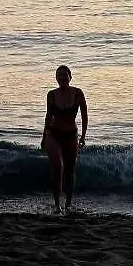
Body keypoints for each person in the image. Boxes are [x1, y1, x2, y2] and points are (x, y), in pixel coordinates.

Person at [41, 65, 88, 213]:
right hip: (53, 134)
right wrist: (43, 137)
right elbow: (48, 116)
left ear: (70, 77)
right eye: (58, 75)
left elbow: (84, 116)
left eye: (64, 75)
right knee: (58, 166)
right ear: (56, 78)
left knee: (70, 169)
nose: (61, 78)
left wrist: (83, 137)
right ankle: (57, 205)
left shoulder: (78, 93)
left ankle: (68, 203)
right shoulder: (51, 94)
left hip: (71, 134)